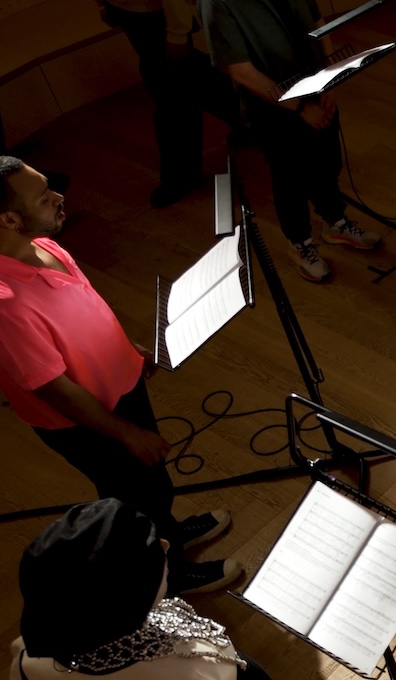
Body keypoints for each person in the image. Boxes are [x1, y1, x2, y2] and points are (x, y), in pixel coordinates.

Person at [0, 158, 239, 595]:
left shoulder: (46, 246)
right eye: (44, 196)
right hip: (88, 422)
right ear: (9, 219)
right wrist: (125, 433)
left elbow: (84, 307)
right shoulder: (6, 304)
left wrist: (126, 349)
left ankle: (171, 532)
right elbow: (55, 390)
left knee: (153, 484)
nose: (59, 197)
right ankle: (167, 576)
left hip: (120, 392)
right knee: (133, 502)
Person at [195, 0, 381, 284]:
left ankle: (334, 221)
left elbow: (318, 21)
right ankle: (300, 243)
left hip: (316, 90)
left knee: (327, 162)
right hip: (275, 110)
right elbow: (241, 70)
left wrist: (331, 78)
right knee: (291, 178)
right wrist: (300, 108)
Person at [61, 0, 227, 209]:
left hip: (156, 16)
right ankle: (258, 118)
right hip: (125, 11)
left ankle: (181, 175)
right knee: (191, 76)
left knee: (170, 98)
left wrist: (178, 31)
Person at [10, 498, 269, 680]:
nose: (166, 544)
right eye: (154, 554)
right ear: (129, 603)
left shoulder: (31, 654)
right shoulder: (207, 668)